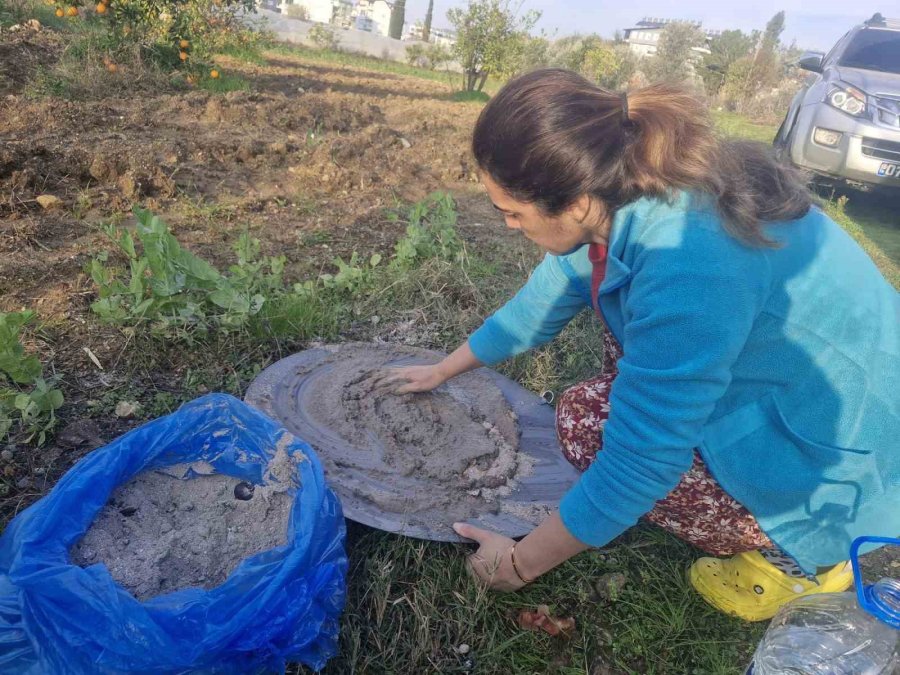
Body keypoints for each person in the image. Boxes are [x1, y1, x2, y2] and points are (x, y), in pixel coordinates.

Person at [383, 69, 899, 622]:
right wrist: (444, 369)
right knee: (619, 366)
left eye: (514, 213)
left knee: (586, 425)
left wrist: (518, 564)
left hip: (840, 468)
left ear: (577, 202)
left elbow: (639, 464)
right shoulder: (637, 182)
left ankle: (801, 557)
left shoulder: (692, 261)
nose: (508, 225)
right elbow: (546, 296)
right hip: (801, 391)